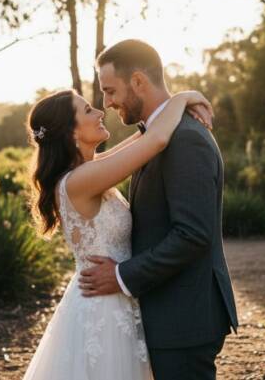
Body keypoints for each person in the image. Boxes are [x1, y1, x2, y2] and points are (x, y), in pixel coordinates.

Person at [22, 77, 215, 379]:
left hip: (116, 296)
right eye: (88, 110)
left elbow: (144, 136)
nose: (100, 111)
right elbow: (155, 141)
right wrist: (182, 98)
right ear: (71, 131)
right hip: (103, 307)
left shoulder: (89, 170)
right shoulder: (80, 181)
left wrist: (170, 108)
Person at [80, 39, 239, 379]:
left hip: (184, 319)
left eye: (110, 91)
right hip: (167, 314)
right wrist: (182, 98)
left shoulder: (185, 138)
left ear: (138, 81)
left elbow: (193, 234)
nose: (107, 103)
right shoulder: (156, 135)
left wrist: (122, 275)